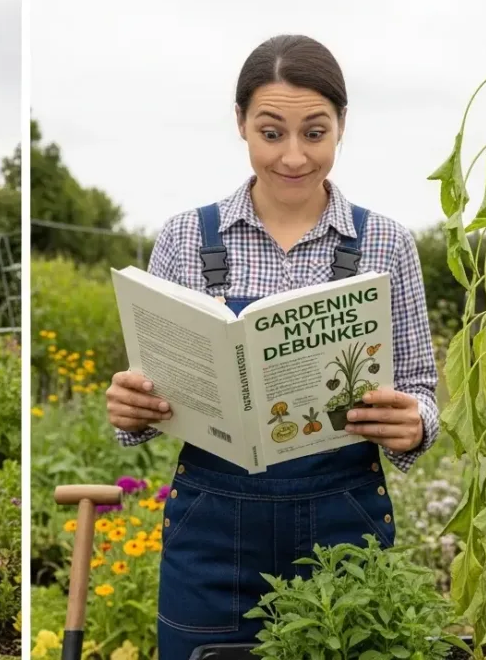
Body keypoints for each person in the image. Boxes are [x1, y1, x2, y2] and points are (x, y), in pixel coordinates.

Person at [104, 34, 440, 659]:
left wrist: (413, 422)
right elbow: (149, 389)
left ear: (341, 126)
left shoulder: (387, 244)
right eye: (271, 132)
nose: (292, 156)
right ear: (240, 124)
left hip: (346, 528)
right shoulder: (184, 238)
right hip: (211, 535)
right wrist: (132, 408)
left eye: (314, 133)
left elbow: (422, 389)